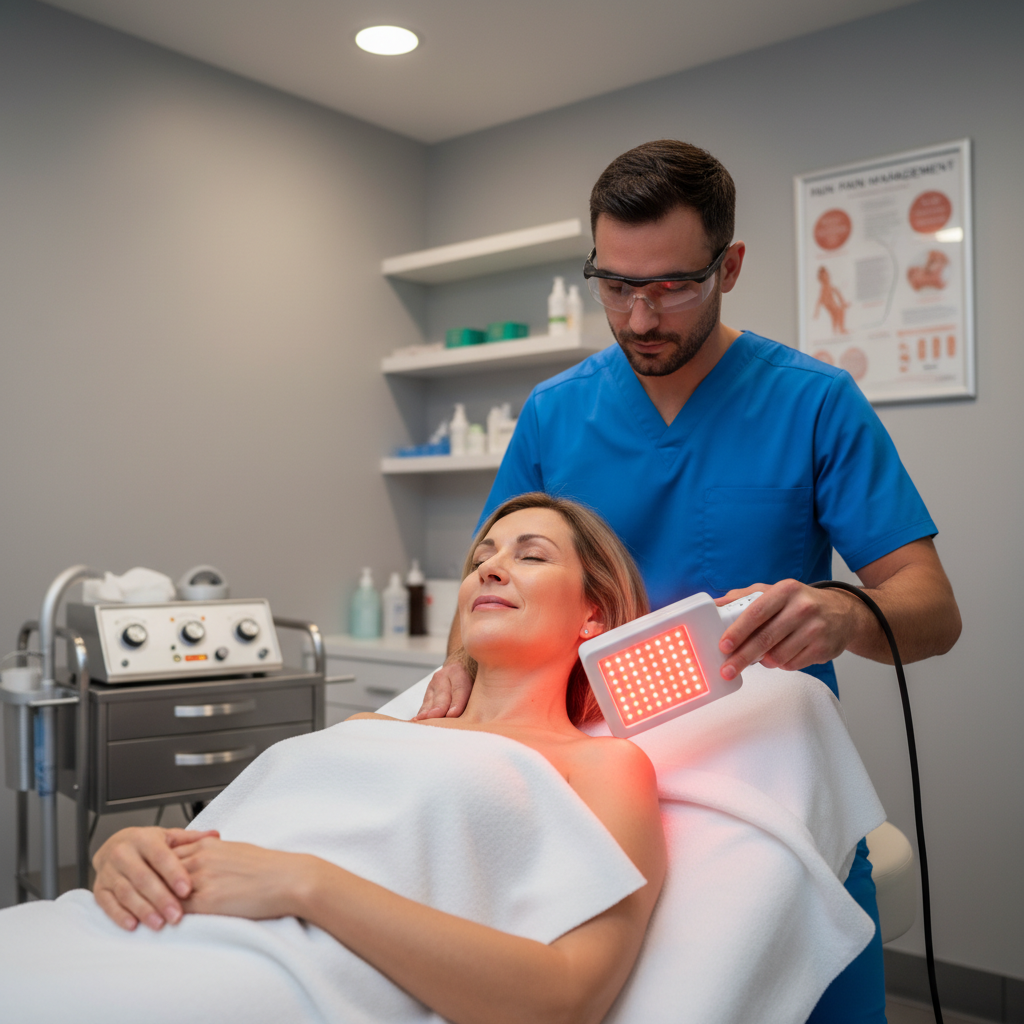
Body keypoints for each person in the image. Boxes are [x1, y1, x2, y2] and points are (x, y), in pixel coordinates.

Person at [415, 140, 962, 1024]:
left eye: (670, 285)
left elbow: (933, 611)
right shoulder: (558, 411)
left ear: (730, 265)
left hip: (771, 780)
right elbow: (490, 574)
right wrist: (461, 668)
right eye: (616, 285)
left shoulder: (814, 403)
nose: (638, 318)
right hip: (590, 780)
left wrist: (843, 614)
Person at [0, 494, 666, 1024]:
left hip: (266, 976)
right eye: (483, 557)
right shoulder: (371, 726)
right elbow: (238, 842)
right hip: (118, 926)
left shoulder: (605, 765)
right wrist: (130, 851)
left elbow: (567, 1000)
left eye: (531, 556)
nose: (490, 567)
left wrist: (305, 885)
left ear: (595, 616)